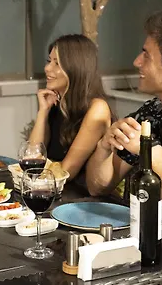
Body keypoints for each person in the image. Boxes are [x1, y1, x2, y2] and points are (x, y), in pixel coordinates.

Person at [86, 10, 162, 285]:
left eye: (146, 55)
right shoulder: (152, 114)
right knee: (91, 264)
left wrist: (154, 156)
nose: (137, 62)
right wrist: (104, 147)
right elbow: (98, 186)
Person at [28, 34, 112, 182]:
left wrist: (31, 182)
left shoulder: (97, 108)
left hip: (80, 193)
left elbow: (66, 171)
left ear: (76, 68)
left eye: (57, 63)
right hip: (52, 186)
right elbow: (32, 157)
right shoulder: (58, 102)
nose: (47, 68)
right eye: (49, 61)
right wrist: (43, 111)